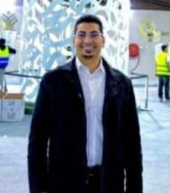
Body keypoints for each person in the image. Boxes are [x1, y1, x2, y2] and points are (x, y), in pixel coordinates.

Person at [28, 14, 143, 193]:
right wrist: (39, 187)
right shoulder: (53, 81)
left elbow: (132, 141)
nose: (88, 40)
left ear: (103, 40)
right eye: (81, 35)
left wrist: (135, 188)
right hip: (65, 182)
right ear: (74, 40)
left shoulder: (122, 84)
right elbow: (38, 139)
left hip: (109, 182)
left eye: (94, 34)